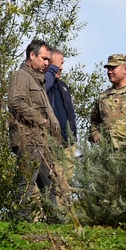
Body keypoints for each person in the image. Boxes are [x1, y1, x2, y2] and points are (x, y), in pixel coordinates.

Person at [7, 39, 64, 212]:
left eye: (48, 60)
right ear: (32, 55)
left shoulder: (37, 80)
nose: (47, 63)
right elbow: (15, 102)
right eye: (45, 58)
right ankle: (20, 224)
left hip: (42, 142)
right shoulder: (21, 76)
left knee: (50, 187)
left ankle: (56, 225)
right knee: (25, 184)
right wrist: (42, 120)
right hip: (28, 140)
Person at [44, 48, 78, 190]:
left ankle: (63, 212)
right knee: (44, 189)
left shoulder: (63, 85)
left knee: (64, 189)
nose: (61, 68)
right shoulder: (40, 82)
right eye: (58, 64)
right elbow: (44, 86)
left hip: (67, 145)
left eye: (62, 63)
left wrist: (73, 138)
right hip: (48, 144)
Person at [90, 53, 126, 148]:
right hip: (108, 153)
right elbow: (94, 121)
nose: (109, 72)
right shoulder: (103, 97)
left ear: (125, 69)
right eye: (108, 69)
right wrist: (95, 133)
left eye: (113, 68)